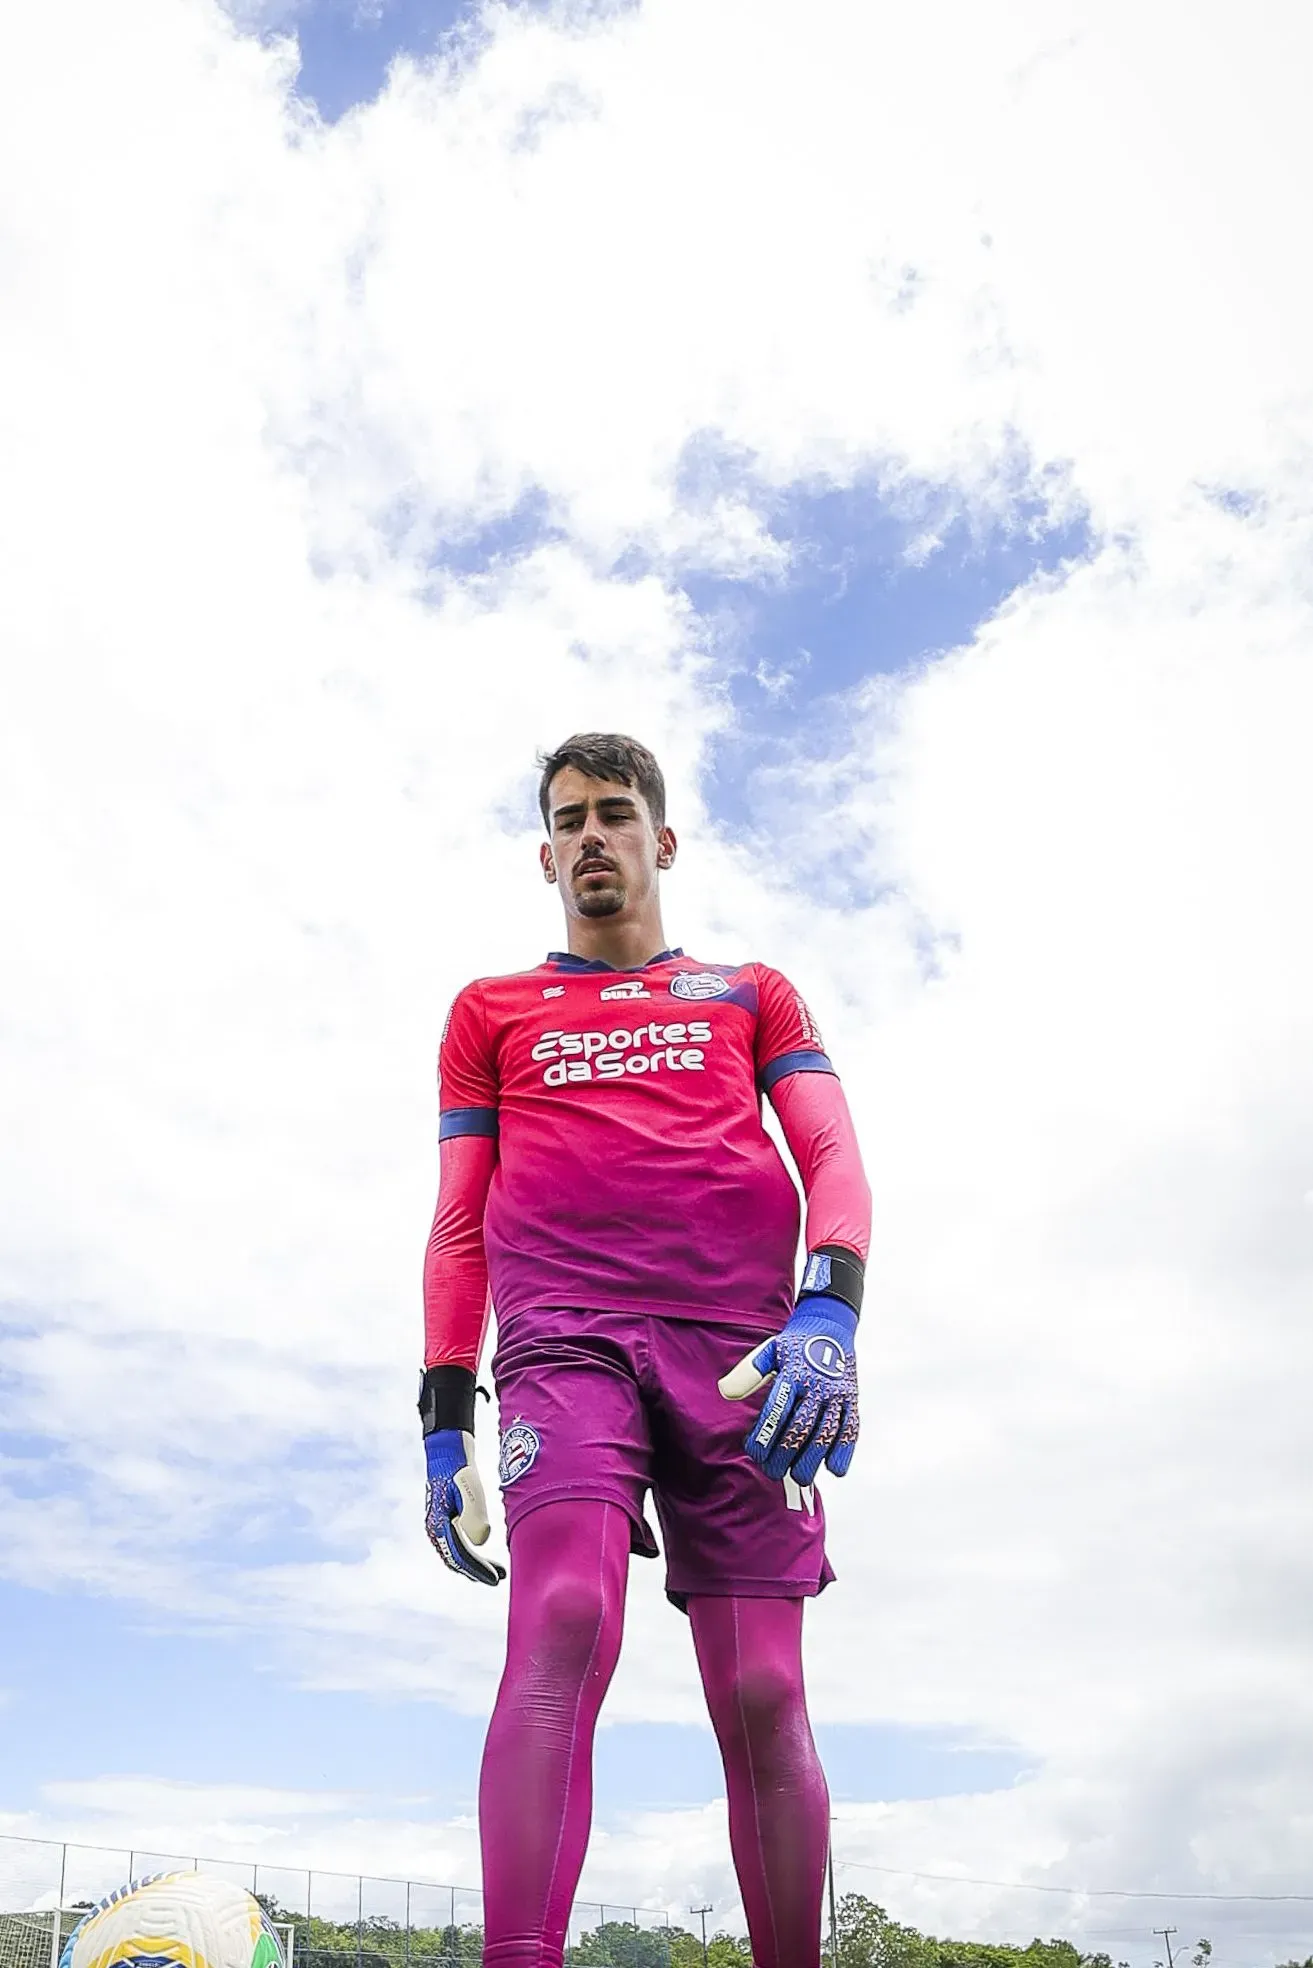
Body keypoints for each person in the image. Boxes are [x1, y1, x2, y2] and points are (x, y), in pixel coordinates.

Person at [419, 733, 871, 1968]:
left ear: (659, 841)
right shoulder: (490, 1013)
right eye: (567, 821)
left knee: (766, 1694)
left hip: (744, 1361)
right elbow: (459, 1222)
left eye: (613, 815)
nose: (590, 837)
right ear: (545, 853)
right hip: (565, 1347)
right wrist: (442, 1416)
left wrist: (827, 1315)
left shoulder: (748, 993)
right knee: (562, 1610)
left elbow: (830, 1153)